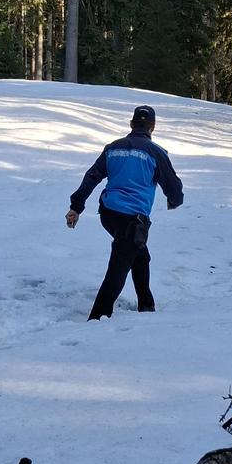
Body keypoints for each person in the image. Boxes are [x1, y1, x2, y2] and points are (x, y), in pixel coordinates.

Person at [66, 105, 184, 320]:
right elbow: (173, 186)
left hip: (108, 214)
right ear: (153, 127)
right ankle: (97, 318)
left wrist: (76, 206)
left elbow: (92, 176)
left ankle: (146, 305)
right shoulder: (156, 153)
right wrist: (175, 201)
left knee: (140, 255)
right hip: (133, 219)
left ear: (131, 124)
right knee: (119, 267)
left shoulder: (113, 148)